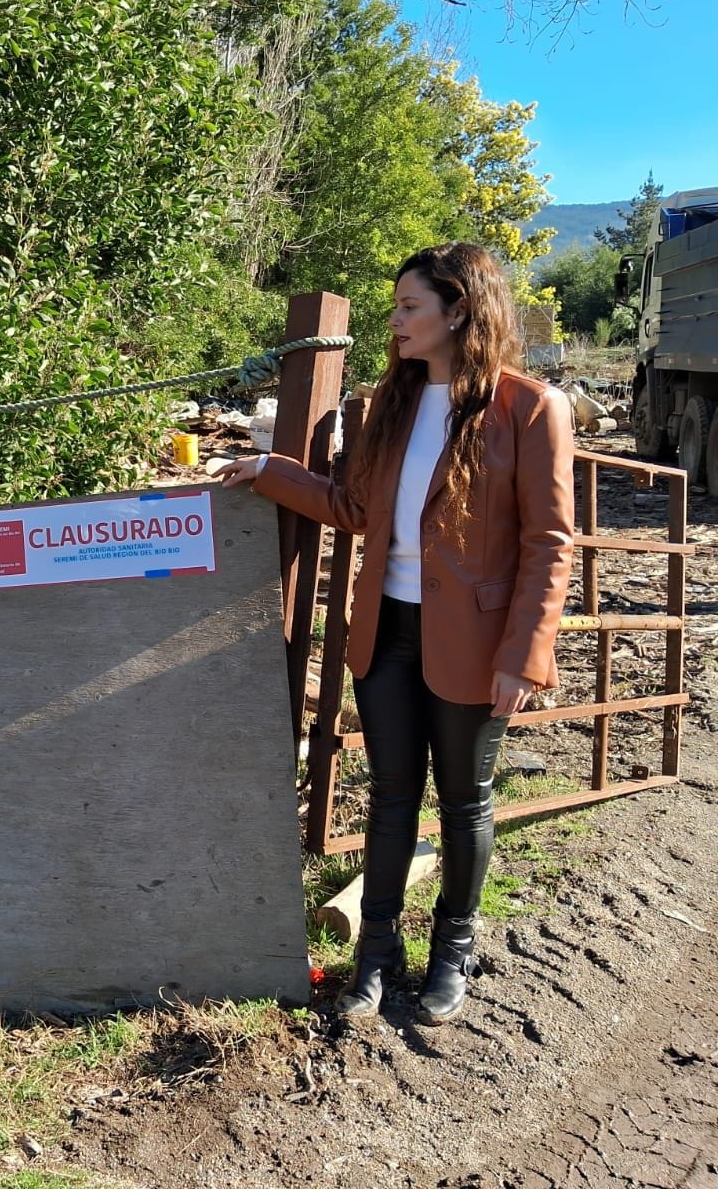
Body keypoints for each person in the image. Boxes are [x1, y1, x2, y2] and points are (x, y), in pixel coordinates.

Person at [219, 243, 574, 1025]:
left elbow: (551, 544)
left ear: (459, 311)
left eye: (409, 307)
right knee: (388, 799)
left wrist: (526, 655)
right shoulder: (391, 404)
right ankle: (376, 956)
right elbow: (354, 510)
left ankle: (454, 950)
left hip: (478, 645)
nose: (396, 321)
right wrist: (271, 471)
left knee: (463, 802)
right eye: (395, 308)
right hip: (386, 632)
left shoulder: (530, 408)